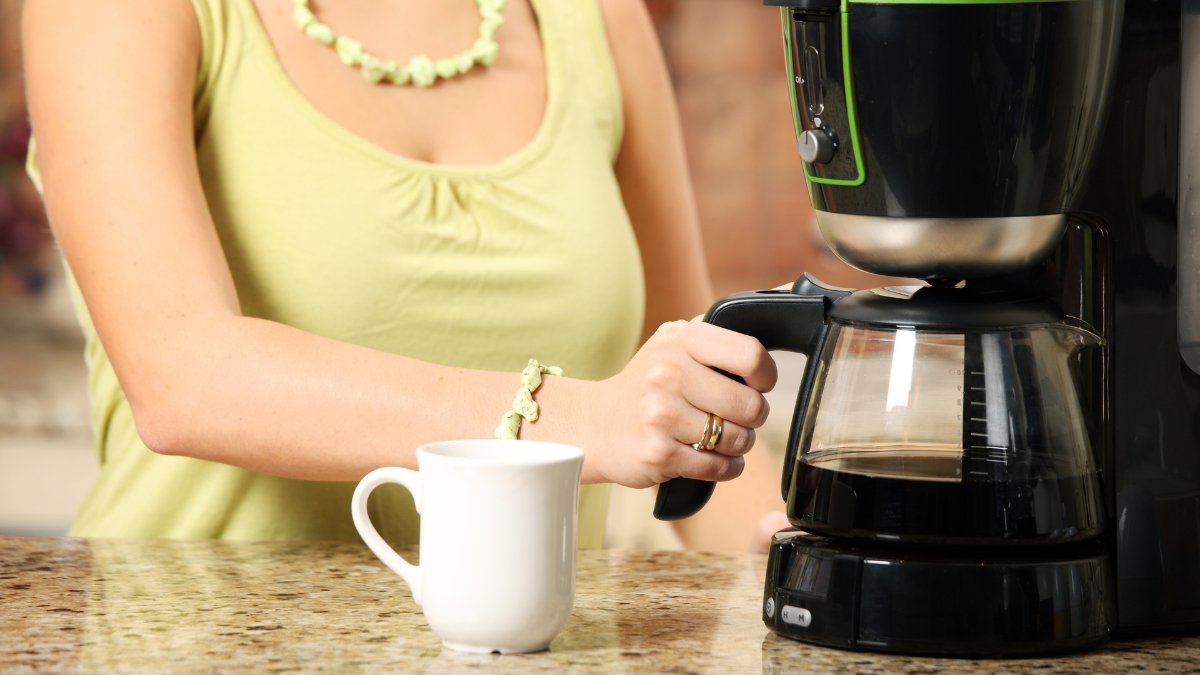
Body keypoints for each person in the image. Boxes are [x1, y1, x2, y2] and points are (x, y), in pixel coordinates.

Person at [22, 0, 789, 550]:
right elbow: (181, 375)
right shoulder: (115, 12)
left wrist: (792, 557)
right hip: (191, 638)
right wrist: (580, 417)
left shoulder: (596, 19)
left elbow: (695, 407)